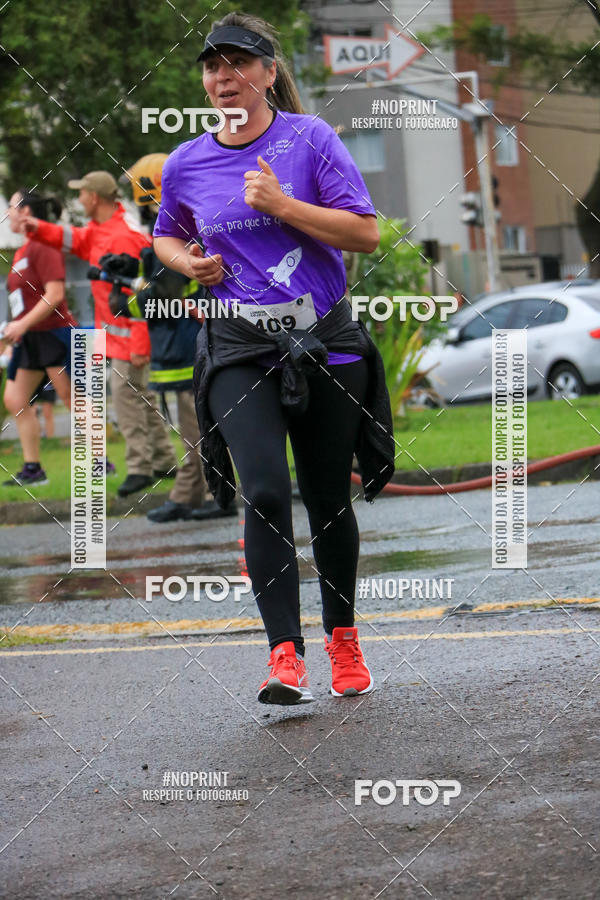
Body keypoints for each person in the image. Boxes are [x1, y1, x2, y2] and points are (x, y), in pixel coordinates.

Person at [153, 12, 395, 704]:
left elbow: (365, 234)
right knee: (261, 491)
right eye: (212, 66)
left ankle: (343, 641)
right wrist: (187, 263)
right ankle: (284, 657)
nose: (223, 77)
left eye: (237, 64)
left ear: (267, 73)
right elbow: (166, 234)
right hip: (238, 344)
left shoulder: (310, 138)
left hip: (323, 340)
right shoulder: (185, 162)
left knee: (326, 497)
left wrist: (284, 205)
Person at [22, 171, 178, 496]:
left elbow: (144, 295)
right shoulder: (99, 230)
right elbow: (73, 239)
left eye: (81, 193)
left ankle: (139, 469)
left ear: (94, 197)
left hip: (131, 338)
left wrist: (140, 343)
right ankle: (164, 462)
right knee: (141, 397)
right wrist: (37, 228)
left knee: (125, 397)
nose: (79, 199)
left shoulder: (123, 237)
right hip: (119, 337)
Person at [106, 152, 237, 522]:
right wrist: (131, 271)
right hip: (182, 345)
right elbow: (159, 281)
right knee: (193, 429)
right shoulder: (179, 229)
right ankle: (193, 494)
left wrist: (122, 297)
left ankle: (214, 496)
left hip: (187, 346)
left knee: (198, 429)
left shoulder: (179, 233)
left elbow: (162, 295)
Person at [2, 189, 77, 486]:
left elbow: (55, 295)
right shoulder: (22, 250)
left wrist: (21, 324)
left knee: (73, 399)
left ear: (25, 212)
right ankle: (33, 470)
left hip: (56, 333)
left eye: (11, 207)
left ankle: (100, 464)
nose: (7, 214)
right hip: (30, 337)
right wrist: (15, 329)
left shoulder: (44, 244)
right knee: (15, 399)